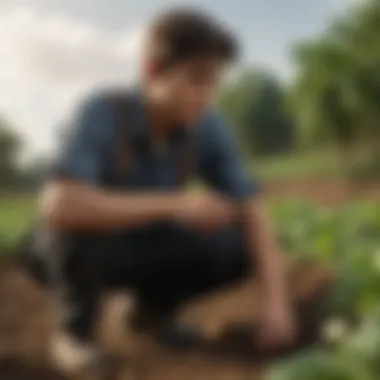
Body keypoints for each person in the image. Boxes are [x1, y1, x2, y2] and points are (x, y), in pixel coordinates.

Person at [36, 7, 295, 375]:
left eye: (214, 83)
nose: (206, 96)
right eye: (195, 80)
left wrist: (277, 306)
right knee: (80, 223)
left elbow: (250, 206)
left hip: (145, 245)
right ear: (152, 71)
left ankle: (150, 315)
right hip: (75, 249)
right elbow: (59, 204)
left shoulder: (208, 127)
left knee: (234, 243)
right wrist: (176, 204)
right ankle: (75, 334)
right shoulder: (103, 111)